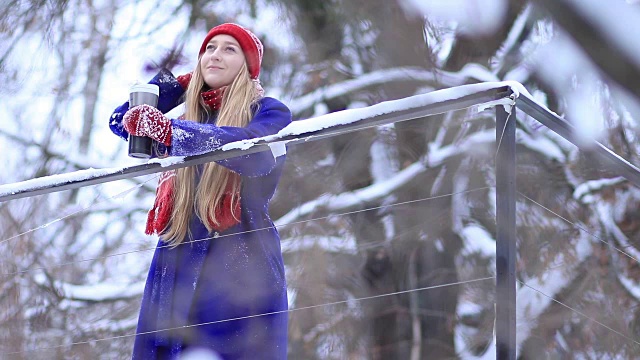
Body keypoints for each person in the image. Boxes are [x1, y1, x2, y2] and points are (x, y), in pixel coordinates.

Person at [109, 23, 291, 359]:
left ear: (248, 67)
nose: (215, 55)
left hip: (239, 259)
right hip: (176, 254)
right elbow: (121, 119)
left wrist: (171, 132)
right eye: (209, 48)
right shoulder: (190, 114)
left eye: (229, 49)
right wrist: (177, 89)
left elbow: (253, 155)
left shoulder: (268, 111)